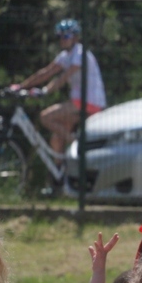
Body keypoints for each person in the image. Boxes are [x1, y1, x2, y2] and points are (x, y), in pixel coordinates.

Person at [10, 19, 106, 173]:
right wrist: (21, 86)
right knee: (57, 137)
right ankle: (60, 175)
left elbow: (62, 78)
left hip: (89, 102)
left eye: (66, 36)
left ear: (75, 38)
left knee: (46, 117)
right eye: (59, 37)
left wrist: (45, 91)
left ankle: (80, 147)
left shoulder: (80, 53)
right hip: (78, 103)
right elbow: (46, 72)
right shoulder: (65, 55)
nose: (62, 40)